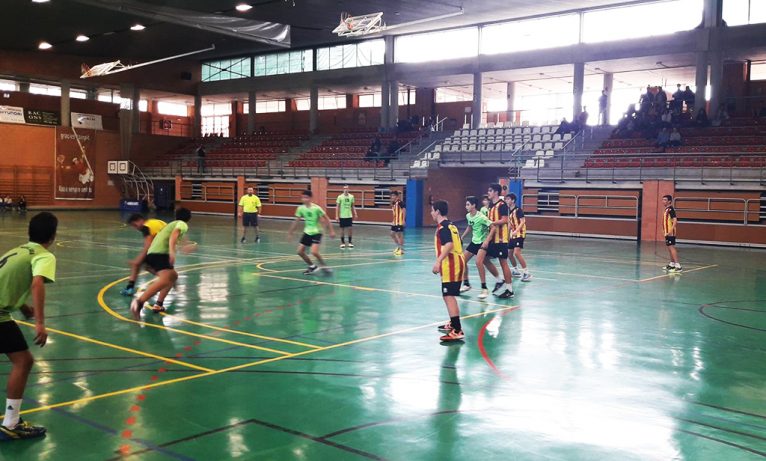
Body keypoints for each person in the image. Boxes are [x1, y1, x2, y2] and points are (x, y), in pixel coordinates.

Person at [0, 212, 57, 440]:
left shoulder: (18, 250)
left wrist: (22, 307)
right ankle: (11, 424)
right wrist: (40, 324)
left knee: (22, 360)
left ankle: (12, 420)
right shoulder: (44, 255)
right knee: (23, 361)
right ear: (52, 236)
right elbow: (37, 283)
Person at [130, 208, 193, 318]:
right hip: (159, 253)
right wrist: (173, 253)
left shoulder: (174, 223)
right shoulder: (182, 224)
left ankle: (158, 304)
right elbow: (174, 236)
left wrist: (185, 244)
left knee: (173, 276)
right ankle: (139, 302)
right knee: (165, 279)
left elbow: (177, 236)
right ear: (189, 218)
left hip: (155, 253)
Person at [431, 200, 466, 343]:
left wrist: (438, 261)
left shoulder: (443, 228)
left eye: (432, 210)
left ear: (438, 211)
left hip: (451, 264)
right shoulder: (451, 225)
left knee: (449, 296)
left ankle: (457, 330)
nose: (431, 213)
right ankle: (453, 323)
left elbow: (449, 245)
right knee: (448, 295)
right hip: (456, 262)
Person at [460, 196, 500, 299]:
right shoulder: (468, 216)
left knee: (479, 262)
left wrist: (487, 240)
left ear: (473, 205)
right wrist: (462, 237)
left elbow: (493, 227)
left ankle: (484, 288)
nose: (466, 206)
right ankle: (466, 284)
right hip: (474, 242)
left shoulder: (481, 217)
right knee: (462, 261)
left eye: (468, 204)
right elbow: (470, 226)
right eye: (465, 204)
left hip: (483, 242)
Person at [287, 190, 335, 275]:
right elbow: (296, 221)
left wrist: (331, 231)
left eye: (306, 197)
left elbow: (327, 219)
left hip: (317, 232)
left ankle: (324, 267)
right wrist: (290, 232)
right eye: (302, 197)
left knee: (314, 252)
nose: (304, 199)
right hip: (307, 232)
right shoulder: (300, 208)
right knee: (300, 252)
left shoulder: (316, 208)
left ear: (310, 198)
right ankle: (312, 266)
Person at [120, 214, 167, 296]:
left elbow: (148, 245)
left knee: (137, 264)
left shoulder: (146, 227)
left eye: (135, 225)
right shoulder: (155, 222)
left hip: (159, 250)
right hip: (168, 248)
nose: (136, 228)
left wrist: (138, 260)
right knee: (145, 266)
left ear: (140, 220)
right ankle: (168, 278)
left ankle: (129, 288)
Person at [482, 183, 514, 299]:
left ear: (496, 192)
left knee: (503, 262)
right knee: (484, 259)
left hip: (501, 239)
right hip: (492, 238)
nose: (488, 193)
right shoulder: (491, 206)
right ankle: (499, 280)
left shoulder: (502, 205)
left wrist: (492, 223)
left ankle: (509, 290)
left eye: (490, 191)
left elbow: (505, 220)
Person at [505, 193, 531, 282]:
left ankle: (527, 273)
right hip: (513, 235)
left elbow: (523, 221)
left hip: (520, 234)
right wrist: (507, 235)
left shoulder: (518, 210)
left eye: (508, 199)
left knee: (517, 253)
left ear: (513, 200)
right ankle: (516, 270)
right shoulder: (509, 211)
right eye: (506, 199)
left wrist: (516, 230)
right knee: (509, 253)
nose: (506, 201)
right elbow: (509, 224)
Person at [661, 195, 682, 272]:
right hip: (667, 232)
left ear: (669, 201)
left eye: (665, 200)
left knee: (671, 248)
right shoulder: (666, 209)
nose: (663, 201)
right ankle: (672, 264)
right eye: (663, 200)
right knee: (669, 248)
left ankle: (678, 266)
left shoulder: (671, 209)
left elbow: (675, 220)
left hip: (670, 233)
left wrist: (670, 231)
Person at [335, 185, 358, 249]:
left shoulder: (351, 196)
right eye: (345, 188)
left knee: (350, 229)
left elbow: (353, 206)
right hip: (342, 216)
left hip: (349, 215)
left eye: (347, 188)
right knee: (342, 230)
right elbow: (337, 207)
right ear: (343, 189)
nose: (346, 189)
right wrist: (336, 216)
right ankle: (342, 243)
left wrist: (355, 213)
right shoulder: (340, 197)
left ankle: (350, 242)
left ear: (348, 189)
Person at [390, 190, 406, 255]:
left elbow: (404, 210)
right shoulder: (394, 203)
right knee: (392, 234)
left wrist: (404, 219)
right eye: (391, 196)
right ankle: (398, 247)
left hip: (400, 221)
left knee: (399, 235)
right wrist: (393, 220)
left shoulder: (400, 202)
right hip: (395, 222)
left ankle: (401, 249)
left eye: (393, 195)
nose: (392, 197)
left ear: (397, 196)